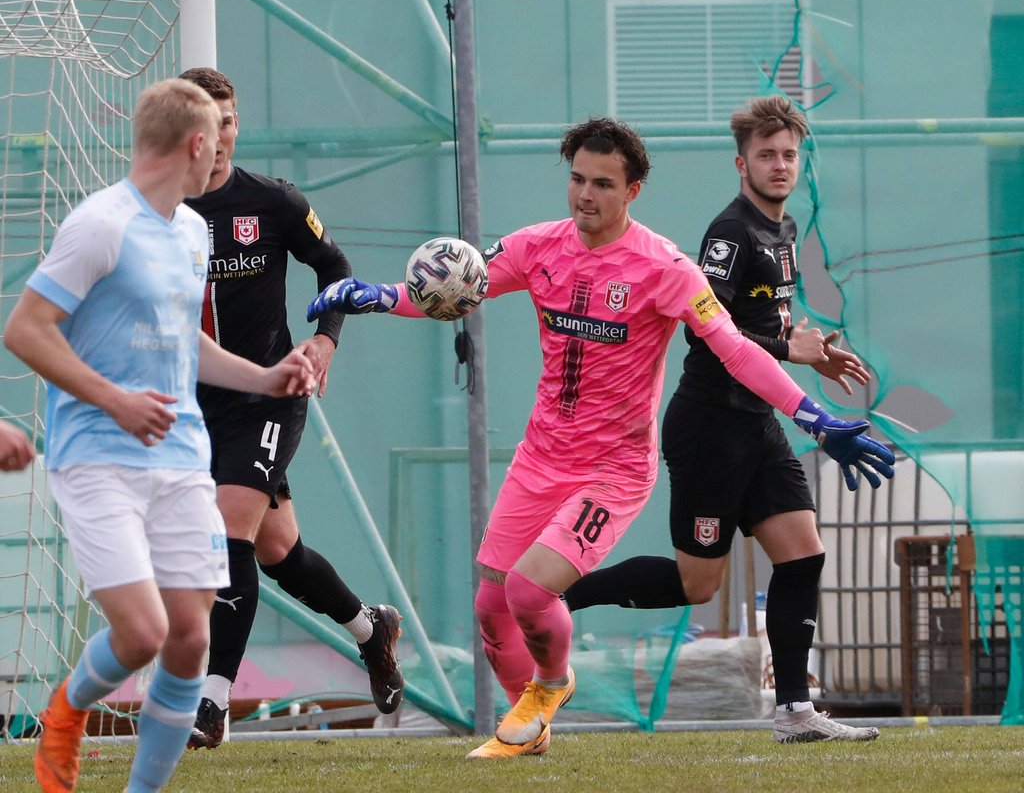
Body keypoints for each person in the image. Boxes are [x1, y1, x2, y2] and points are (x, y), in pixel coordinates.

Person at [306, 116, 894, 758]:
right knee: (491, 606)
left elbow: (733, 349)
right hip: (539, 457)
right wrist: (378, 295)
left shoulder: (665, 267)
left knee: (529, 591)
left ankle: (553, 683)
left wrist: (814, 416)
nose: (586, 195)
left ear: (633, 190)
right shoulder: (535, 246)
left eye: (603, 184)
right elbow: (458, 290)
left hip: (613, 469)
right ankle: (529, 740)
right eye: (578, 180)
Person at [4, 78, 316, 793]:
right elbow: (25, 329)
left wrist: (267, 378)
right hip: (98, 458)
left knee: (190, 639)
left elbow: (185, 342)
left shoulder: (190, 230)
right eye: (221, 137)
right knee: (141, 633)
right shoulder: (102, 223)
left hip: (181, 459)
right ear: (198, 144)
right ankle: (68, 707)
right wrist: (113, 399)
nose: (224, 153)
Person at [562, 95, 884, 743]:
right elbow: (709, 333)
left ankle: (794, 711)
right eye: (766, 154)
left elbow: (764, 322)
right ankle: (558, 596)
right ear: (742, 163)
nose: (779, 165)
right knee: (697, 584)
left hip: (757, 422)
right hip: (708, 426)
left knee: (802, 555)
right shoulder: (730, 233)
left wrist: (804, 344)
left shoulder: (784, 231)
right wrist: (784, 348)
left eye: (789, 154)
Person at [176, 67, 404, 750]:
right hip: (194, 406)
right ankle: (371, 628)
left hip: (272, 395)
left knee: (228, 535)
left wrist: (324, 342)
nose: (221, 138)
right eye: (207, 125)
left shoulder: (272, 203)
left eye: (231, 122)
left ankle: (212, 701)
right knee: (280, 552)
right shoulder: (157, 212)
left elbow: (334, 267)